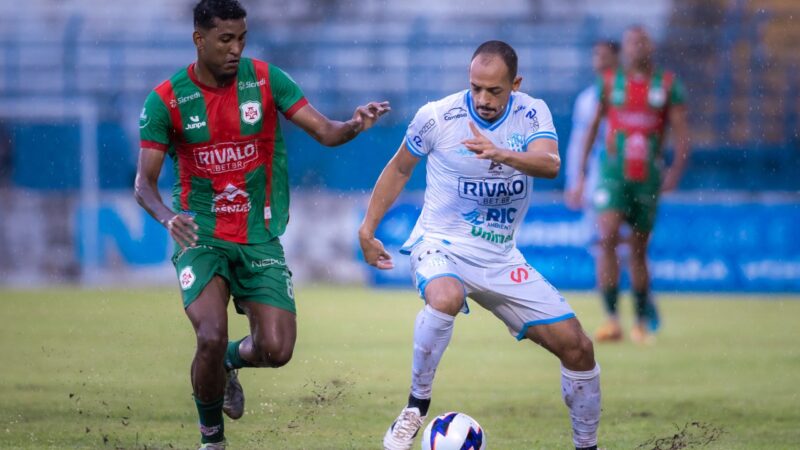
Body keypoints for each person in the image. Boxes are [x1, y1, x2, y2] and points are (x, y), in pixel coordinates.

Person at [134, 1, 390, 448]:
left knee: (277, 350)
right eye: (225, 40)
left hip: (258, 235)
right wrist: (168, 216)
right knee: (209, 335)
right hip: (202, 235)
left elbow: (326, 132)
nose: (236, 49)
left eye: (242, 39)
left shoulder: (268, 80)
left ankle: (229, 362)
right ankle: (212, 439)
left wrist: (354, 125)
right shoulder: (167, 100)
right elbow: (144, 183)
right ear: (200, 40)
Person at [359, 40, 601, 450]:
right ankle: (415, 407)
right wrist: (368, 229)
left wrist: (502, 154)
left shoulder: (532, 112)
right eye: (476, 88)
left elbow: (550, 163)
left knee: (578, 348)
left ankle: (588, 446)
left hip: (501, 258)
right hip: (440, 245)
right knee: (445, 295)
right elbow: (400, 167)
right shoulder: (436, 116)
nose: (483, 99)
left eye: (495, 90)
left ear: (516, 84)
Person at [573, 26, 690, 344]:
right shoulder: (610, 83)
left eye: (643, 42)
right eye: (631, 43)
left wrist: (676, 169)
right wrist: (581, 173)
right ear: (624, 49)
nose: (637, 48)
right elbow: (591, 130)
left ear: (651, 46)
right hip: (613, 174)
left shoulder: (667, 84)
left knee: (639, 251)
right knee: (607, 237)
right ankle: (611, 319)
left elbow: (681, 132)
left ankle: (639, 320)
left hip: (646, 178)